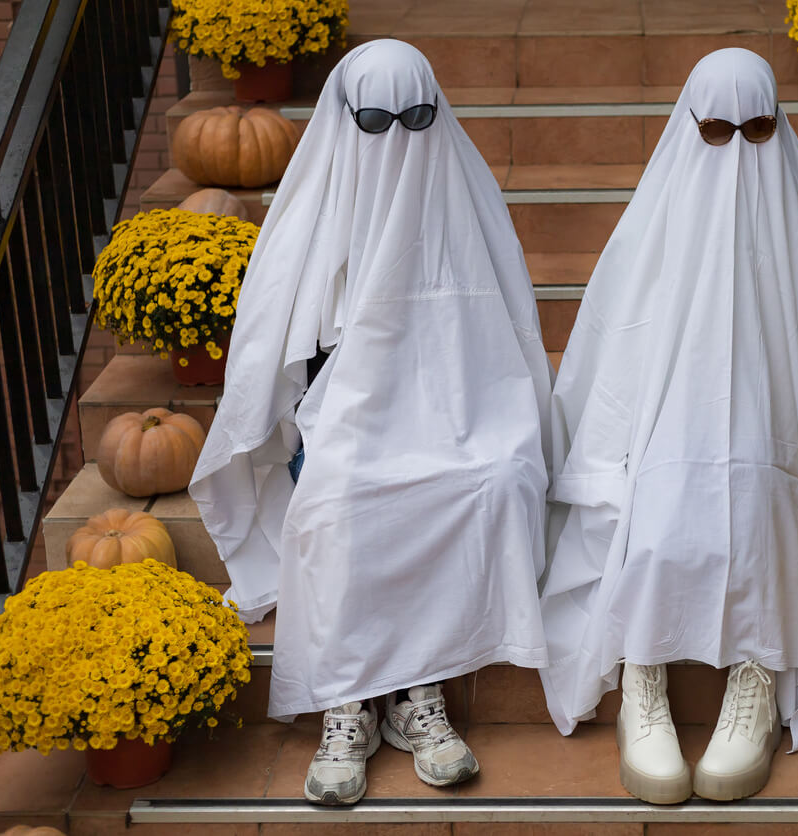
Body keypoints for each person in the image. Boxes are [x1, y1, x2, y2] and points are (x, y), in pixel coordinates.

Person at [189, 40, 553, 806]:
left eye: (416, 118)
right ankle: (349, 702)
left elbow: (508, 332)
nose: (398, 138)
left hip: (460, 412)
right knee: (341, 496)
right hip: (343, 421)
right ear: (345, 119)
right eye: (377, 120)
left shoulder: (463, 197)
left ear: (438, 115)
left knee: (495, 478)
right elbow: (275, 350)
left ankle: (416, 695)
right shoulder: (316, 210)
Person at [537, 48, 798, 804]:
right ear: (688, 128)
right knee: (658, 525)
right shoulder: (651, 231)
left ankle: (756, 672)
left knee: (766, 514)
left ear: (780, 126)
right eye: (715, 133)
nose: (736, 153)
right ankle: (643, 666)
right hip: (661, 436)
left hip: (779, 446)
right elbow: (616, 348)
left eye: (758, 129)